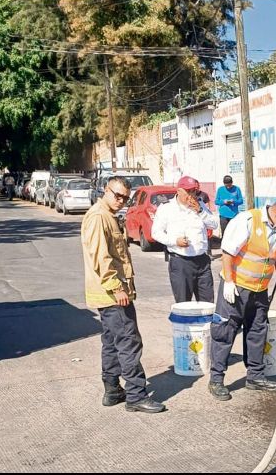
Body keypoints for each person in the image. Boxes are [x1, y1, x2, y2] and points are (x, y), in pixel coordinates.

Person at [81, 176, 166, 414]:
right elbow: (101, 257)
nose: (120, 200)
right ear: (105, 190)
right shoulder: (99, 217)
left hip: (109, 293)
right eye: (116, 195)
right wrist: (116, 288)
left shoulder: (108, 215)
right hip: (112, 294)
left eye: (125, 198)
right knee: (129, 342)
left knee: (111, 342)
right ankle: (136, 395)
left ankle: (112, 390)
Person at [208, 197, 276, 401]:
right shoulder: (248, 220)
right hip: (236, 287)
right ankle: (216, 380)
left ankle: (255, 376)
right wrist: (228, 281)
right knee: (225, 330)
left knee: (258, 331)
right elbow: (228, 252)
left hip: (259, 290)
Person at [152, 176, 218, 304]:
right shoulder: (167, 208)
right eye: (188, 191)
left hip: (202, 261)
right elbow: (156, 233)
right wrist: (174, 241)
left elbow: (214, 224)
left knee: (207, 304)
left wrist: (200, 211)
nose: (191, 195)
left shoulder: (200, 205)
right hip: (181, 261)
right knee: (183, 304)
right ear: (179, 191)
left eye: (194, 191)